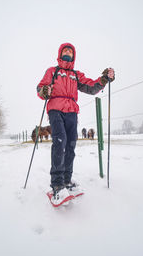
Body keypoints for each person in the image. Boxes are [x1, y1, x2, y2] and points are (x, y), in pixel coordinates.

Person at [37, 42, 115, 205]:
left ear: (74, 56)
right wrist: (45, 91)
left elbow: (91, 87)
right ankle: (57, 185)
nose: (67, 53)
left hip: (72, 110)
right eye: (65, 50)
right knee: (60, 141)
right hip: (55, 109)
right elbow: (41, 87)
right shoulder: (53, 71)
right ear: (60, 53)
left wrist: (104, 79)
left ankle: (66, 180)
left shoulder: (75, 74)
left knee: (71, 143)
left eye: (70, 51)